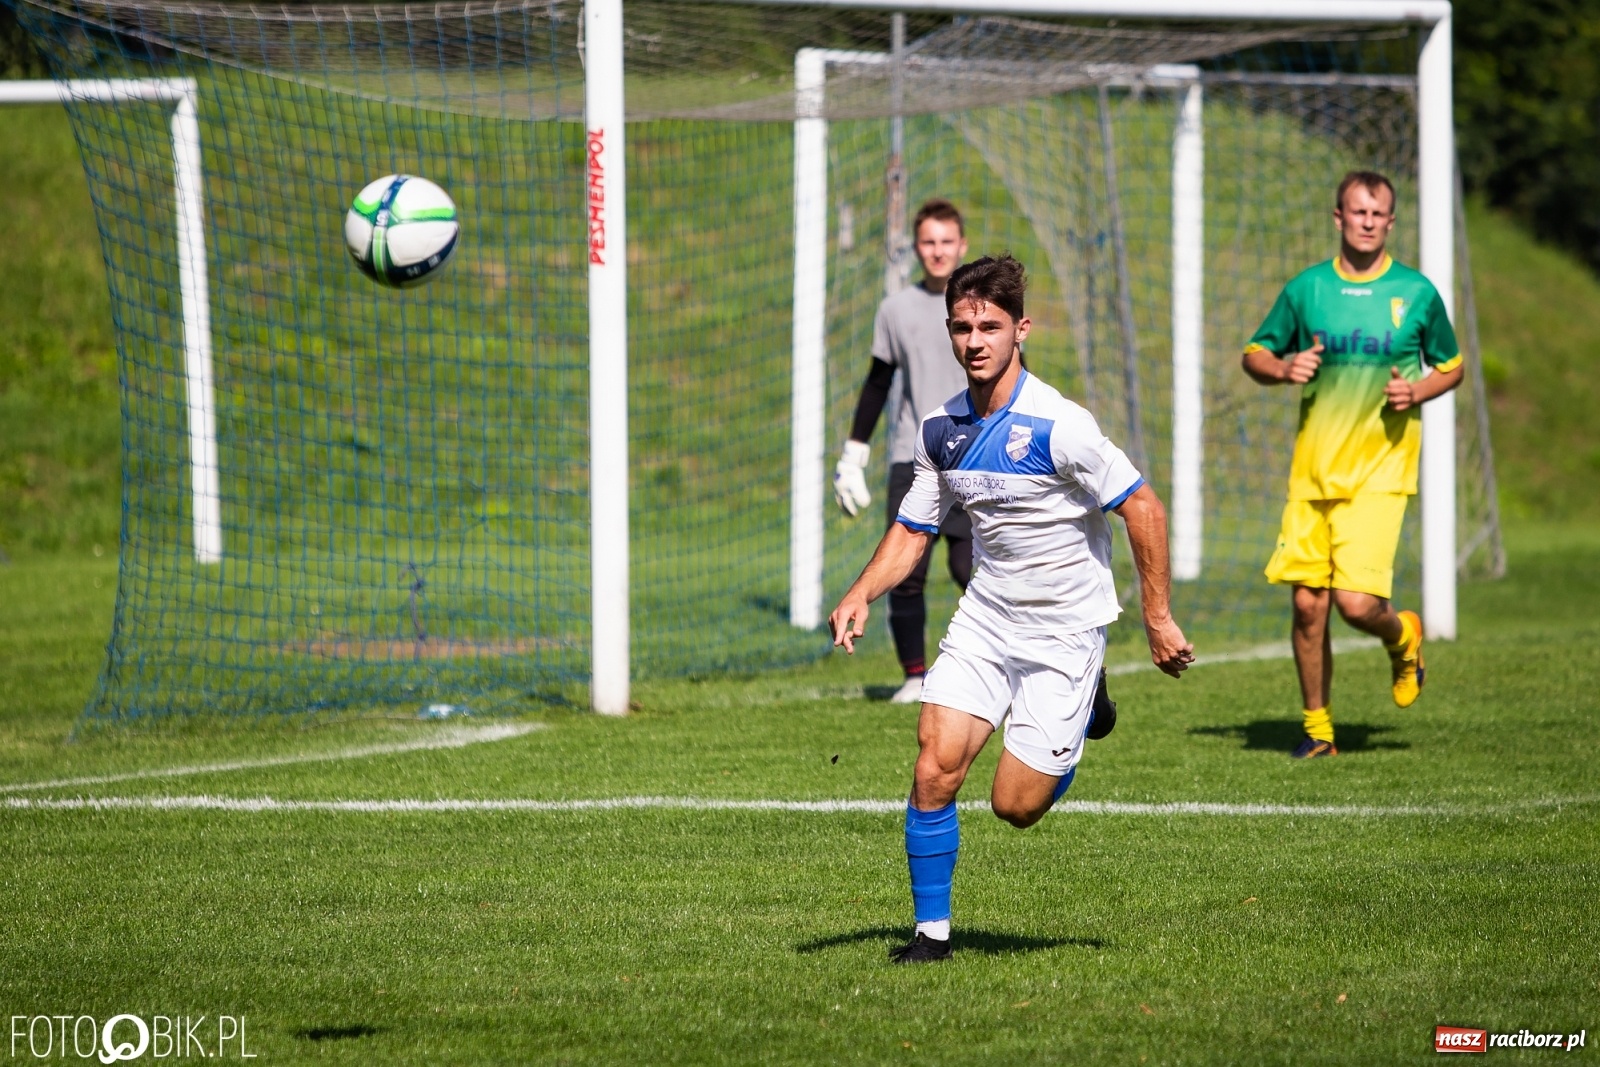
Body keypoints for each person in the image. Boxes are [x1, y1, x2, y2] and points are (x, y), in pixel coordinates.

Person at [828, 254, 1194, 964]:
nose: (975, 340)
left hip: (1064, 628)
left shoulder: (1061, 426)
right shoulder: (941, 430)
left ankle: (1087, 700)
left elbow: (1142, 507)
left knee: (1015, 806)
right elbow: (912, 529)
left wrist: (1156, 616)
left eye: (990, 325)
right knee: (934, 763)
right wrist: (858, 592)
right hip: (988, 618)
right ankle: (931, 936)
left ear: (1021, 328)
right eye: (962, 326)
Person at [1241, 170, 1463, 759]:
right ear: (1338, 218)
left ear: (1391, 222)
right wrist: (1283, 368)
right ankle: (1318, 732)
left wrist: (1416, 393)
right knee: (1308, 604)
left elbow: (1452, 364)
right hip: (1312, 473)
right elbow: (1255, 352)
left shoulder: (1416, 293)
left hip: (1381, 472)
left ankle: (1404, 635)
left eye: (1377, 214)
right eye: (1356, 212)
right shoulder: (1307, 290)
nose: (1367, 222)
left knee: (1356, 604)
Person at [833, 199, 974, 704]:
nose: (938, 252)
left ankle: (986, 667)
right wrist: (853, 455)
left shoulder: (978, 309)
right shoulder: (895, 310)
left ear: (962, 246)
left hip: (975, 457)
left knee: (970, 570)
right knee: (906, 573)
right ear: (917, 248)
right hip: (912, 458)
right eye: (928, 242)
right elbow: (878, 383)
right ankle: (915, 676)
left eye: (946, 242)